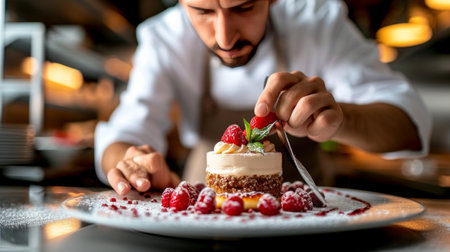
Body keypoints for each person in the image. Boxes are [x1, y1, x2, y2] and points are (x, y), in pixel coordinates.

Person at [95, 0, 431, 195]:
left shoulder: (316, 21)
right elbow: (125, 133)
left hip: (310, 229)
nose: (225, 38)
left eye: (244, 7)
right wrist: (131, 163)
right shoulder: (164, 38)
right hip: (205, 220)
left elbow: (411, 127)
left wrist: (341, 118)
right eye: (202, 11)